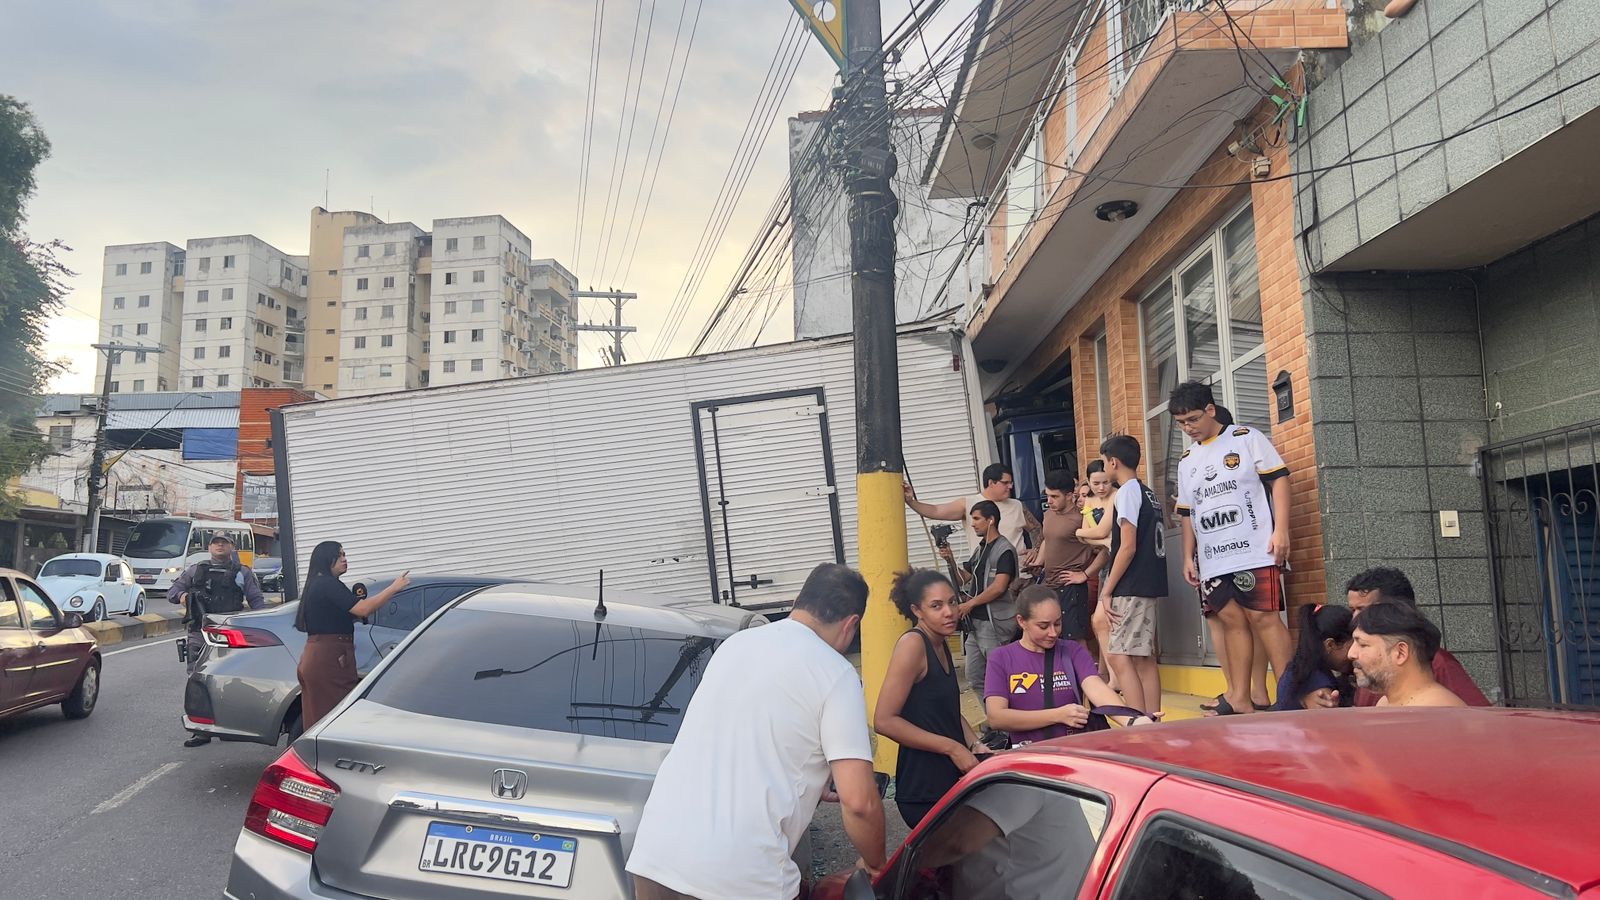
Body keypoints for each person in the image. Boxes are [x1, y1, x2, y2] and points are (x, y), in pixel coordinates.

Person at [628, 563, 886, 900]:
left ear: (799, 601)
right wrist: (876, 862)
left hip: (656, 858)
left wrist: (805, 782)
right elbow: (860, 803)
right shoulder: (836, 673)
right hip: (738, 877)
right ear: (852, 625)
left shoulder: (735, 646)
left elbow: (739, 737)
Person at [1169, 381, 1294, 715]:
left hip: (1253, 549)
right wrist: (1187, 556)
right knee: (1230, 621)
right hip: (1212, 558)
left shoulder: (1246, 438)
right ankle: (1239, 696)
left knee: (1264, 618)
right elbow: (1187, 512)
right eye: (1181, 423)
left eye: (1193, 419)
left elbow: (1279, 479)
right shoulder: (1186, 460)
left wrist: (1281, 531)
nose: (1188, 428)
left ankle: (1289, 693)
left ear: (1210, 410)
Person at [873, 569, 990, 828]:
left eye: (952, 602)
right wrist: (952, 747)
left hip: (951, 778)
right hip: (923, 789)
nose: (949, 612)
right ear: (917, 611)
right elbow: (884, 720)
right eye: (936, 606)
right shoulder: (913, 645)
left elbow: (946, 707)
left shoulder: (941, 640)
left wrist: (974, 744)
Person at [985, 586, 1156, 746]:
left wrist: (1132, 720)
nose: (1053, 633)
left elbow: (1096, 688)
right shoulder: (1001, 658)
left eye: (1058, 623)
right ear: (1022, 622)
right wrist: (1058, 715)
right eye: (1043, 626)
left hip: (1072, 754)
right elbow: (996, 717)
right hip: (1028, 760)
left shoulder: (1072, 651)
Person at [293, 541, 411, 728]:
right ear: (326, 558)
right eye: (339, 555)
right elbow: (363, 609)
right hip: (328, 660)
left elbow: (338, 616)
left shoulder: (319, 584)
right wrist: (393, 588)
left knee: (319, 719)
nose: (344, 559)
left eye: (345, 554)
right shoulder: (327, 584)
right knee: (334, 720)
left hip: (319, 657)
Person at [169, 533, 265, 747]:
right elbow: (173, 592)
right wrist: (186, 598)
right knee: (197, 679)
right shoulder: (195, 570)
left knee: (232, 679)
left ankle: (233, 724)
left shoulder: (242, 572)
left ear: (232, 546)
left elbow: (256, 601)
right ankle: (201, 730)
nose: (219, 546)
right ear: (209, 547)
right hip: (200, 631)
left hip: (230, 633)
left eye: (224, 543)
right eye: (215, 543)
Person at [1346, 567, 1490, 706]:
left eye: (1364, 610)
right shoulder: (1382, 696)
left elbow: (1478, 721)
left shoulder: (1438, 666)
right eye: (1352, 610)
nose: (1355, 618)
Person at [1098, 434, 1167, 717]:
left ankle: (1138, 718)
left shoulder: (1126, 492)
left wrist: (1107, 589)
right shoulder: (1147, 491)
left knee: (1119, 654)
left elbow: (1127, 546)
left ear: (1113, 462)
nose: (1104, 468)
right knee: (1142, 656)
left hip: (1132, 584)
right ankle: (1152, 717)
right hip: (1148, 582)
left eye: (1104, 463)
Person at [940, 500, 1019, 695]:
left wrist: (970, 604)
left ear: (991, 520)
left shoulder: (1004, 550)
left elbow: (999, 586)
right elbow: (965, 579)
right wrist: (950, 559)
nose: (973, 523)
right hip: (976, 625)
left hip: (994, 625)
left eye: (976, 519)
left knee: (1000, 678)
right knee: (975, 677)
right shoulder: (981, 548)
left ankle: (1007, 722)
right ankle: (995, 719)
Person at [905, 463, 1042, 554]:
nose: (1010, 487)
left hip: (1020, 578)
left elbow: (1037, 529)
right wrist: (910, 501)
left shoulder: (1017, 505)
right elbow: (935, 511)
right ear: (991, 483)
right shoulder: (968, 504)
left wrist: (1036, 550)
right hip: (987, 577)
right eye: (1005, 483)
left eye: (1011, 483)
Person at [1033, 470, 1105, 644]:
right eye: (1047, 495)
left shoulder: (1081, 520)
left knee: (1076, 643)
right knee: (1052, 640)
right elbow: (1048, 539)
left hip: (1070, 587)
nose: (1049, 501)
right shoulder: (1049, 514)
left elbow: (1106, 550)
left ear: (1070, 495)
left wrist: (1085, 575)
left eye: (1054, 496)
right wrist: (1039, 562)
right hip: (1050, 584)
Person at [1349, 601, 1466, 707]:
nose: (1350, 654)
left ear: (1400, 653)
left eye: (1363, 645)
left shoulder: (1436, 712)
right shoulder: (1385, 703)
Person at [1270, 604, 1355, 711]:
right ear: (1330, 645)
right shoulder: (1319, 689)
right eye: (1352, 646)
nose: (1355, 654)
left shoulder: (1299, 670)